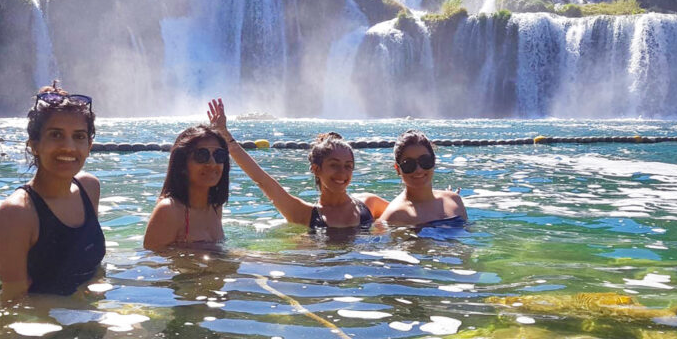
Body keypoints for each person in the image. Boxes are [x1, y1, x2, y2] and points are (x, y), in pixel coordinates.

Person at [0, 84, 104, 300]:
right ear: (34, 145)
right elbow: (14, 301)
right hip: (38, 327)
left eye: (79, 137)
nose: (69, 147)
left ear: (89, 146)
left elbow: (93, 267)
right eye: (56, 135)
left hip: (86, 317)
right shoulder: (17, 213)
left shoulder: (89, 188)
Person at [208, 98, 386, 230]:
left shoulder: (368, 203)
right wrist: (226, 137)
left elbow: (408, 212)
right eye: (334, 165)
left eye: (348, 166)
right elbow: (262, 180)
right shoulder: (303, 213)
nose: (342, 173)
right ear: (316, 169)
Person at [143, 125, 230, 250]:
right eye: (201, 155)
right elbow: (152, 262)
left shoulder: (215, 207)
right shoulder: (169, 210)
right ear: (182, 165)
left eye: (219, 155)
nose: (212, 163)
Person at [379, 129, 468, 226]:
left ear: (434, 161)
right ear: (397, 169)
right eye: (408, 164)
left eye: (425, 161)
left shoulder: (454, 200)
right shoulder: (395, 216)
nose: (418, 170)